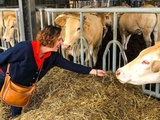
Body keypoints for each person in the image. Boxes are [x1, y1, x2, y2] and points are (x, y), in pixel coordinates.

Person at [0, 25, 107, 118]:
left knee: (16, 112)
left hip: (20, 87)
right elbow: (3, 57)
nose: (62, 43)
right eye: (59, 39)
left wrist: (93, 71)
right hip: (3, 76)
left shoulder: (52, 57)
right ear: (49, 39)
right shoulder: (25, 48)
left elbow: (70, 65)